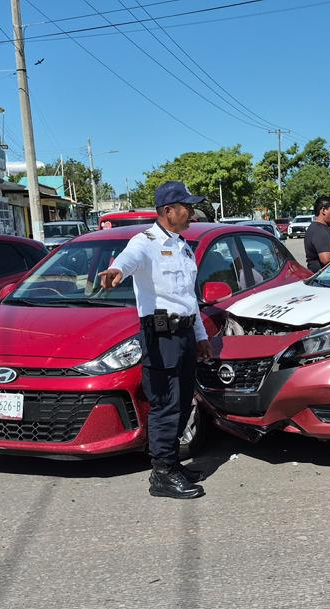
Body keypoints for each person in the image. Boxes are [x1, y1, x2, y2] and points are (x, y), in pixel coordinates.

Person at [97, 181, 212, 500]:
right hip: (161, 337)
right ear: (168, 211)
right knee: (166, 404)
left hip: (185, 334)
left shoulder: (183, 246)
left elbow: (188, 298)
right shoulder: (144, 242)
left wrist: (200, 336)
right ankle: (162, 473)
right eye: (187, 207)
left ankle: (172, 463)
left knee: (184, 401)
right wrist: (116, 271)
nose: (191, 213)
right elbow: (127, 260)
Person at [303, 196, 330, 272]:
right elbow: (326, 259)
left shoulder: (318, 228)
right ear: (324, 210)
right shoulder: (319, 230)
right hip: (326, 277)